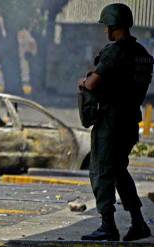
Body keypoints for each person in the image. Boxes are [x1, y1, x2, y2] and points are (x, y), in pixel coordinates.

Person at [78, 3, 153, 241]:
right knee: (119, 171)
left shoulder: (115, 51)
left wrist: (84, 81)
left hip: (110, 121)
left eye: (106, 26)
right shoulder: (142, 53)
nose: (105, 31)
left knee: (101, 172)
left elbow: (91, 85)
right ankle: (139, 223)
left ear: (113, 26)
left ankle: (107, 226)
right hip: (131, 120)